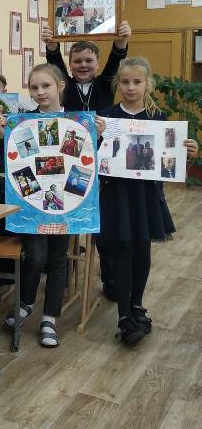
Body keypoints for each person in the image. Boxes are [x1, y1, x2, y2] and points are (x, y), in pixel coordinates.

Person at [98, 57, 198, 346]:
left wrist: (188, 149)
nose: (131, 87)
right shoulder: (106, 117)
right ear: (117, 84)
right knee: (122, 248)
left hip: (146, 194)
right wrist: (97, 136)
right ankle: (124, 314)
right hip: (116, 194)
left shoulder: (159, 119)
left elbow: (169, 157)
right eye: (125, 82)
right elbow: (95, 155)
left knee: (142, 247)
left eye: (137, 82)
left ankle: (137, 305)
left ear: (147, 85)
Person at [5, 63, 105, 348]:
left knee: (58, 259)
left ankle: (50, 317)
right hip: (34, 204)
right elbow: (16, 161)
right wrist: (5, 135)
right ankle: (26, 303)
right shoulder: (22, 123)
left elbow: (87, 161)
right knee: (35, 256)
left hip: (67, 205)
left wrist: (97, 135)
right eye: (34, 87)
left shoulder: (77, 123)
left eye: (46, 86)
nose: (40, 92)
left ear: (60, 86)